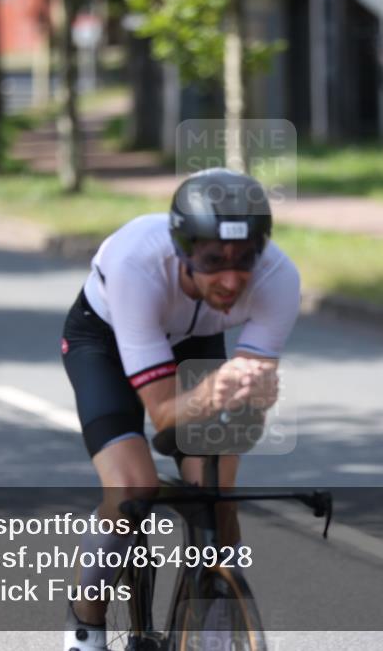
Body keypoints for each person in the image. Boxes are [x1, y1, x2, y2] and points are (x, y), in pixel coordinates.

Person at [60, 168, 301, 650]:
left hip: (194, 340)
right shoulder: (138, 264)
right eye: (213, 260)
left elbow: (244, 406)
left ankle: (210, 619)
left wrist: (251, 398)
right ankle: (86, 623)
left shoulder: (279, 277)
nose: (231, 279)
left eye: (245, 260)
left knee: (214, 487)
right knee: (132, 486)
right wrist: (217, 392)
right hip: (105, 340)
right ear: (182, 249)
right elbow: (165, 412)